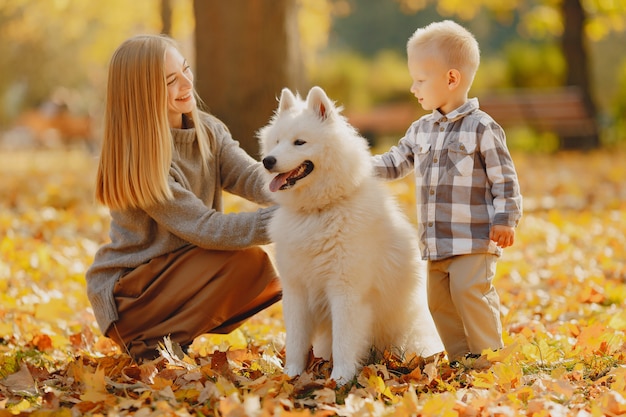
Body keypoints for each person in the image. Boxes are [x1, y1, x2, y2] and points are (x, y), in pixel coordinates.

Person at [86, 34, 281, 361]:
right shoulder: (143, 158)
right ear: (143, 94)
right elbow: (207, 228)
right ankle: (148, 343)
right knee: (247, 261)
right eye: (170, 81)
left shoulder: (209, 131)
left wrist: (306, 188)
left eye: (186, 70)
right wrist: (291, 217)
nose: (186, 83)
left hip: (175, 276)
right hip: (130, 296)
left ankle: (171, 342)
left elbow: (251, 177)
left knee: (247, 263)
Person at [372, 20, 523, 364]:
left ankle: (488, 359)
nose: (413, 88)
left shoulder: (482, 127)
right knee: (438, 301)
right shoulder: (419, 130)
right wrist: (353, 166)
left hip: (472, 238)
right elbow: (394, 162)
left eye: (420, 80)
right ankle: (461, 359)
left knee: (470, 292)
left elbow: (505, 179)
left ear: (451, 79)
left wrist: (506, 219)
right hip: (436, 241)